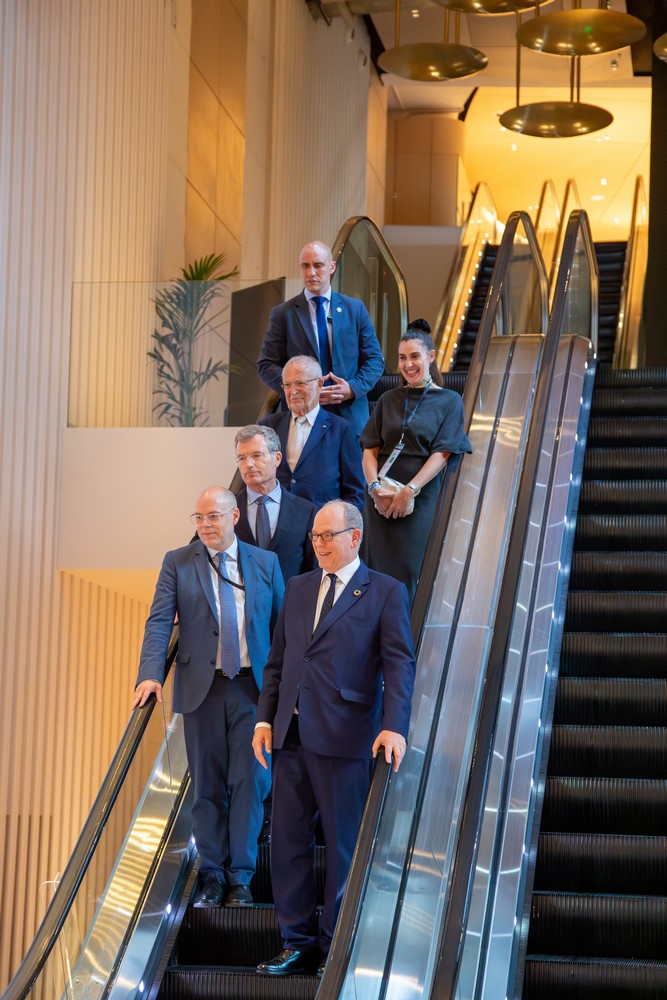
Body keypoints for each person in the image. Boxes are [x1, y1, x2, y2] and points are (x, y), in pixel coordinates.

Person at [253, 500, 416, 978]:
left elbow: (399, 663)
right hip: (290, 736)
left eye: (328, 535)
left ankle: (336, 947)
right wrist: (264, 720)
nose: (319, 544)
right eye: (315, 536)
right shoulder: (299, 587)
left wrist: (394, 724)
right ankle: (297, 943)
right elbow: (279, 661)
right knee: (286, 844)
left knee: (343, 848)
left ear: (355, 537)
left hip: (347, 737)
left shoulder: (385, 591)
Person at [133, 486, 284, 908]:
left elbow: (283, 631)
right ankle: (213, 875)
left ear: (234, 517)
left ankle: (242, 878)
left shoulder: (266, 562)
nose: (205, 525)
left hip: (253, 690)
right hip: (202, 689)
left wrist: (288, 690)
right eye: (198, 518)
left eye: (213, 516)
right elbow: (159, 621)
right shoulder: (178, 562)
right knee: (207, 787)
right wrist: (150, 675)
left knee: (250, 783)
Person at [360, 324, 472, 604]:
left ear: (430, 356)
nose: (408, 364)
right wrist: (373, 488)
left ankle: (406, 630)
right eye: (402, 358)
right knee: (374, 573)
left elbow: (443, 453)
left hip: (418, 498)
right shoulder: (387, 399)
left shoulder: (449, 401)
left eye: (414, 356)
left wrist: (409, 490)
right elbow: (369, 449)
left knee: (410, 572)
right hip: (379, 499)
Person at [257, 240, 385, 437]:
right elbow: (266, 365)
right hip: (302, 418)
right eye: (305, 266)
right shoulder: (283, 314)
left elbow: (375, 360)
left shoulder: (355, 309)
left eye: (318, 265)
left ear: (331, 267)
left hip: (349, 418)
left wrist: (352, 388)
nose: (311, 272)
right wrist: (297, 387)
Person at [260, 355, 365, 510]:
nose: (293, 391)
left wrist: (339, 521)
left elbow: (355, 493)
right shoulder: (268, 427)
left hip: (321, 522)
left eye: (300, 383)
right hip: (276, 521)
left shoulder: (342, 430)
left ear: (319, 385)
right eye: (287, 385)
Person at [234, 424, 316, 582]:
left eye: (257, 455)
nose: (248, 464)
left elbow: (314, 571)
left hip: (290, 597)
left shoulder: (306, 512)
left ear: (277, 458)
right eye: (242, 458)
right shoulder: (226, 509)